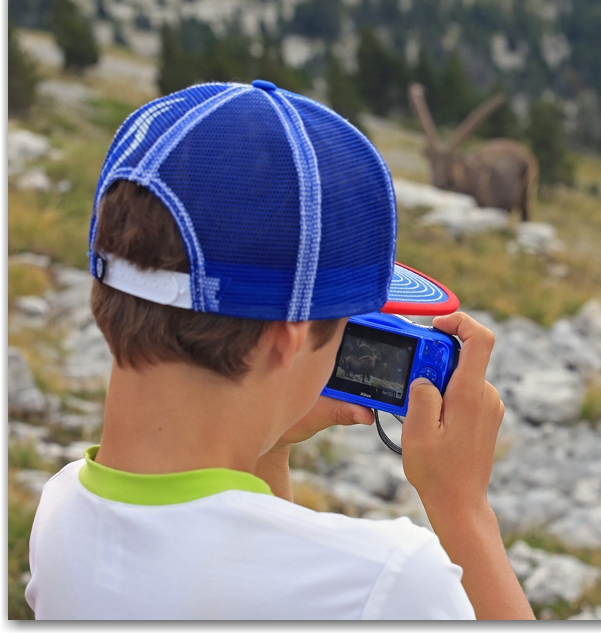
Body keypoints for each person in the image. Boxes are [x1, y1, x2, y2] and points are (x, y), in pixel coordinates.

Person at [25, 80, 534, 620]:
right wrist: (463, 509)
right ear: (288, 340)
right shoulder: (386, 581)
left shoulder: (61, 512)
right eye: (345, 321)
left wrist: (268, 438)